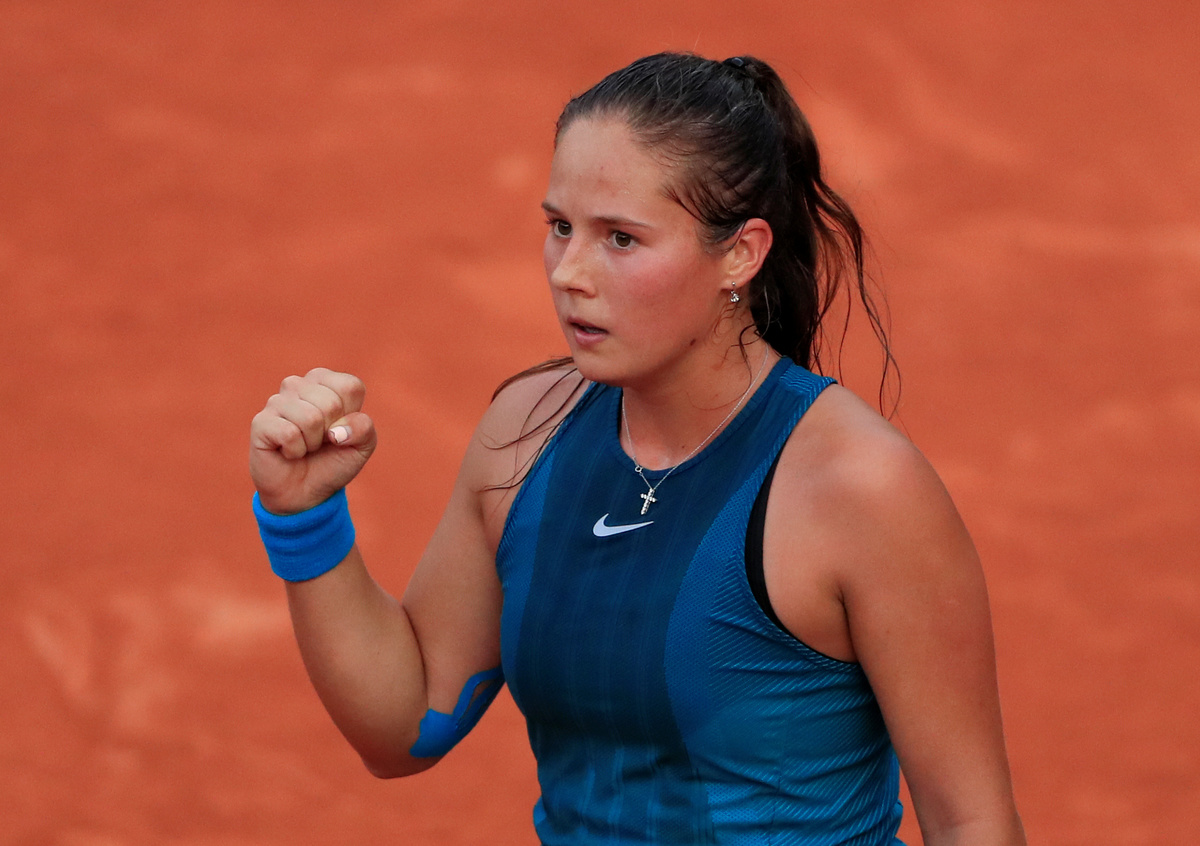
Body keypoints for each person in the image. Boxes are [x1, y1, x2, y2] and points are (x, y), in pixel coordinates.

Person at [249, 52, 1025, 845]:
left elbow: (971, 821)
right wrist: (304, 518)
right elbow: (407, 723)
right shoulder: (528, 429)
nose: (569, 273)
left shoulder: (860, 488)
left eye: (620, 238)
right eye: (560, 227)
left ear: (740, 253)